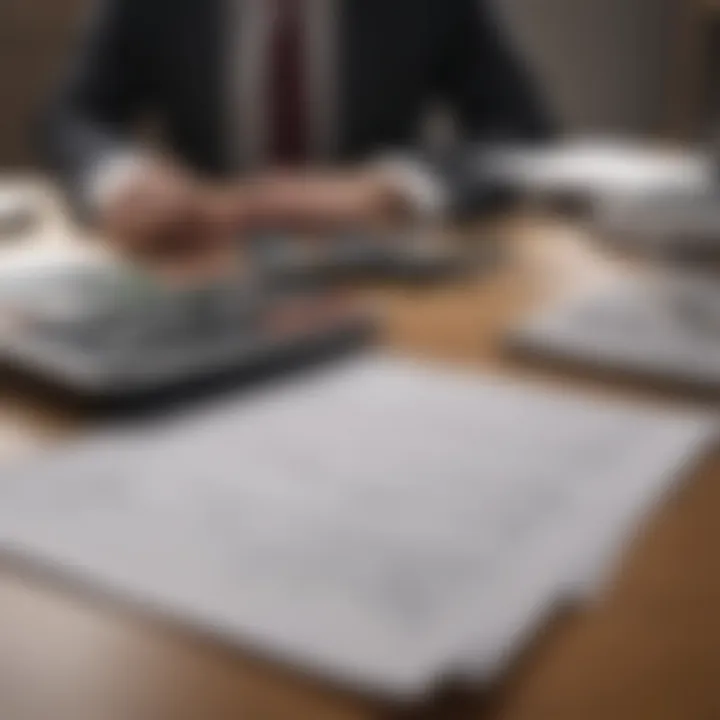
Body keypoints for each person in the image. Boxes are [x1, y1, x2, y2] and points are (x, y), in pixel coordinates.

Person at [42, 0, 552, 274]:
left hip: (376, 269)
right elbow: (73, 116)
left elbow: (522, 132)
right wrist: (122, 178)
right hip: (196, 263)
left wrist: (393, 187)